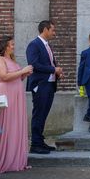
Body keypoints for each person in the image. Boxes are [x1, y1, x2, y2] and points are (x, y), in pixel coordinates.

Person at [0, 37, 33, 174]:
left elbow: (15, 76)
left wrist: (24, 75)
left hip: (16, 94)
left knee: (14, 125)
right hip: (6, 94)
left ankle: (13, 159)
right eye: (12, 44)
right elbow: (3, 76)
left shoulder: (12, 60)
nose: (13, 46)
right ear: (5, 46)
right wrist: (23, 71)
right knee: (4, 125)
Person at [26, 20, 63, 154]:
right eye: (52, 30)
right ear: (45, 30)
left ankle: (40, 141)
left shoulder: (47, 45)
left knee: (43, 115)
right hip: (40, 85)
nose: (54, 33)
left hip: (49, 85)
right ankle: (35, 144)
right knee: (39, 114)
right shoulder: (34, 45)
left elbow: (49, 63)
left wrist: (57, 72)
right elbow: (33, 64)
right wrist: (53, 70)